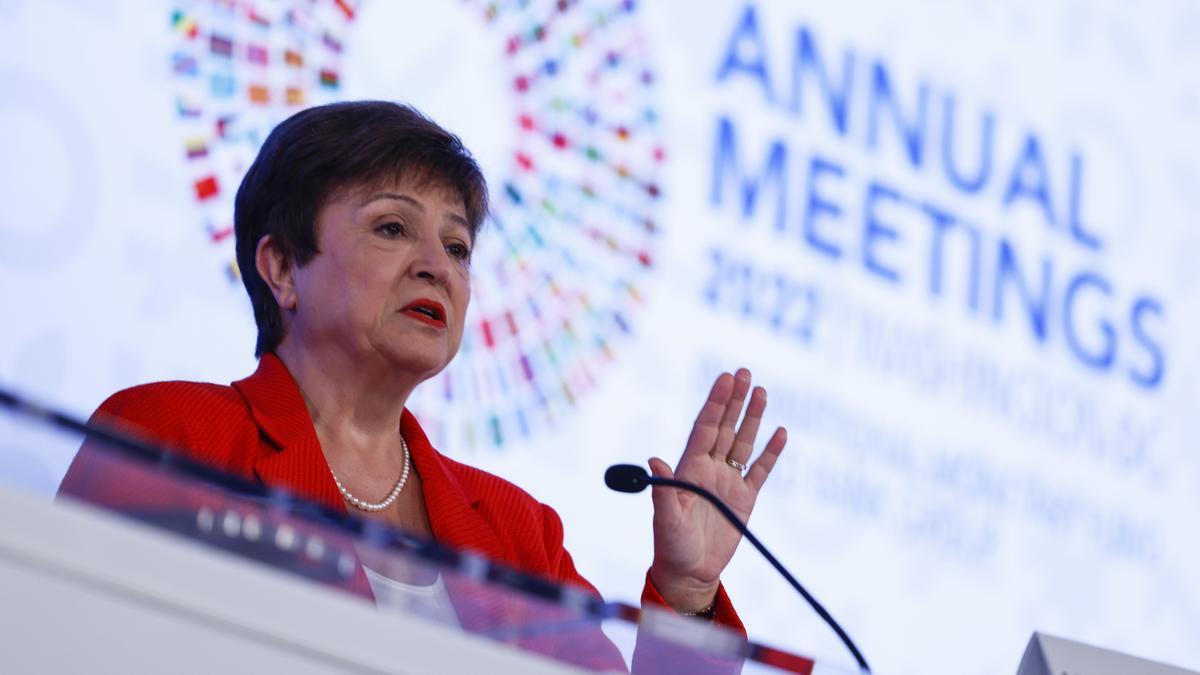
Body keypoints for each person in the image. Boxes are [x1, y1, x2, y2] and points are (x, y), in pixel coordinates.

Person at [58, 100, 787, 667]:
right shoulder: (174, 432)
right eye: (391, 228)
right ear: (281, 267)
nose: (438, 265)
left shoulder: (517, 532)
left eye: (458, 244)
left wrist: (686, 595)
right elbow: (67, 641)